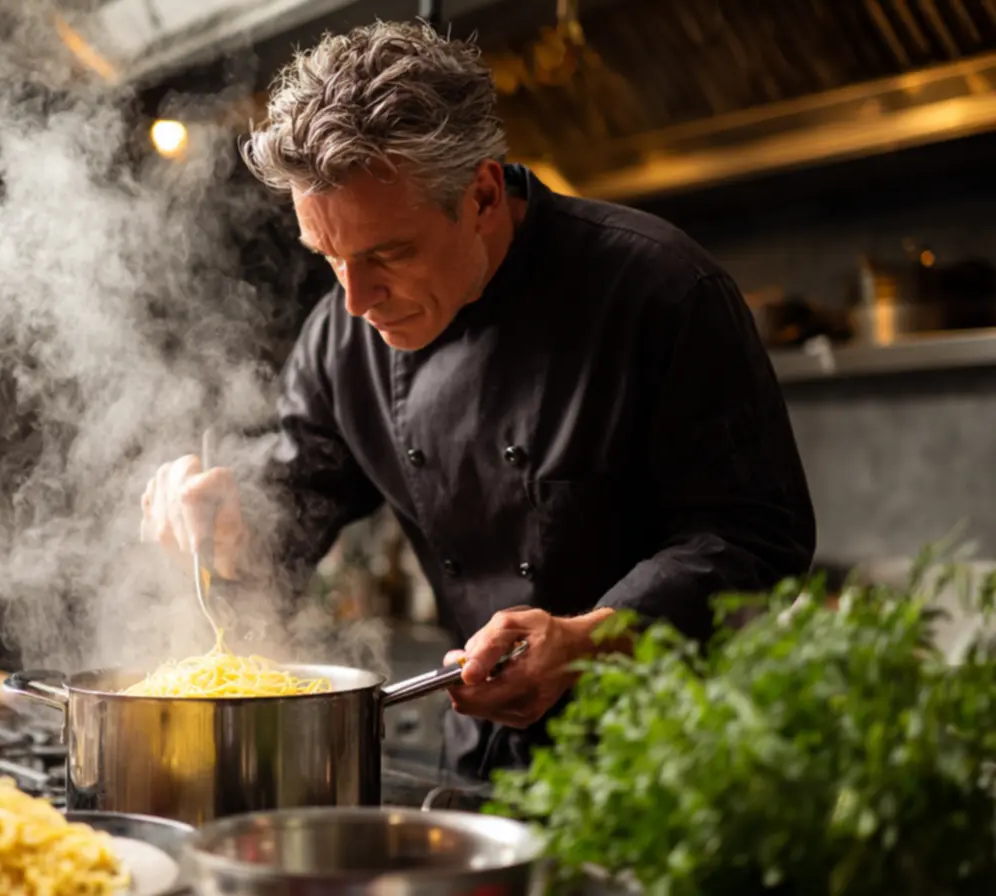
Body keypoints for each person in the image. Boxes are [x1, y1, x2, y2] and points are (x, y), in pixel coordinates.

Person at [141, 20, 815, 778]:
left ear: (484, 196)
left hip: (668, 769)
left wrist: (593, 640)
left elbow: (754, 537)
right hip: (482, 767)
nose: (356, 299)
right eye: (328, 258)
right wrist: (232, 525)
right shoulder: (341, 337)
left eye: (387, 254)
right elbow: (295, 502)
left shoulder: (661, 291)